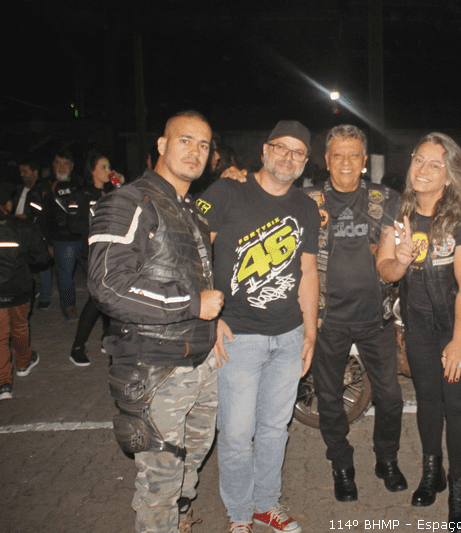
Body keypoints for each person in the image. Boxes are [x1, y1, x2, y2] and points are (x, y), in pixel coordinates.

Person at [88, 110, 224, 533]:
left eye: (203, 145)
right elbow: (107, 284)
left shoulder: (192, 210)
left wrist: (214, 324)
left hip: (200, 361)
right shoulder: (129, 201)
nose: (195, 151)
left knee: (192, 459)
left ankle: (179, 520)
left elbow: (195, 277)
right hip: (156, 366)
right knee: (160, 481)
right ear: (162, 145)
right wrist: (191, 304)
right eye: (185, 140)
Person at [199, 120, 319, 533]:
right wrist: (210, 316)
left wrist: (310, 331)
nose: (288, 157)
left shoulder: (305, 207)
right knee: (236, 433)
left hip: (288, 335)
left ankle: (266, 504)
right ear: (265, 150)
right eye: (280, 148)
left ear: (305, 162)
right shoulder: (226, 192)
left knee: (274, 428)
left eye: (297, 152)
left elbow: (307, 272)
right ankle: (239, 514)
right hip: (238, 335)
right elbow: (195, 252)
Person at [377, 132, 461, 533]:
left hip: (456, 327)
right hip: (417, 325)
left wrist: (459, 341)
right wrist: (401, 260)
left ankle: (459, 492)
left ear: (449, 175)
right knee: (427, 400)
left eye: (435, 164)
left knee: (458, 407)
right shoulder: (398, 213)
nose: (423, 169)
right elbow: (385, 270)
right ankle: (431, 472)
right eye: (419, 159)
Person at [305, 125, 406, 504]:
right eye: (338, 155)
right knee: (329, 398)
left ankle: (387, 459)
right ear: (326, 160)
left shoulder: (386, 199)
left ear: (364, 161)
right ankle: (341, 466)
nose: (345, 162)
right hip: (325, 320)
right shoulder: (307, 200)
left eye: (353, 155)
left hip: (375, 319)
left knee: (391, 397)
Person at [69, 152, 124, 366]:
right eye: (103, 167)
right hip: (94, 253)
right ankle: (77, 347)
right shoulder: (82, 194)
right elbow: (74, 224)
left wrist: (120, 185)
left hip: (112, 251)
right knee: (97, 298)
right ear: (92, 170)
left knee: (108, 296)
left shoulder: (111, 191)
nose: (108, 171)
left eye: (109, 166)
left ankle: (106, 337)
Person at [0, 183, 50, 400]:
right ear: (8, 205)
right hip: (19, 288)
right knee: (20, 327)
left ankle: (4, 384)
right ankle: (23, 363)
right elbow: (42, 258)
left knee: (0, 337)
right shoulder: (23, 227)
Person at [44, 149, 87, 320]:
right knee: (65, 276)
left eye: (66, 163)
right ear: (53, 165)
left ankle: (102, 305)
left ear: (72, 166)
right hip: (62, 239)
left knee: (95, 273)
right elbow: (44, 216)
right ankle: (69, 307)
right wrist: (48, 242)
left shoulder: (82, 183)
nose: (62, 167)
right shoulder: (47, 186)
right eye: (58, 163)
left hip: (84, 236)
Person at [15, 158, 53, 309]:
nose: (22, 174)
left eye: (25, 171)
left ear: (35, 172)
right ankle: (32, 290)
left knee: (43, 263)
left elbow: (42, 211)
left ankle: (45, 296)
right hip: (18, 230)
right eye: (20, 171)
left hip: (36, 231)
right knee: (23, 264)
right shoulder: (19, 189)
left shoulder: (41, 188)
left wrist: (27, 217)